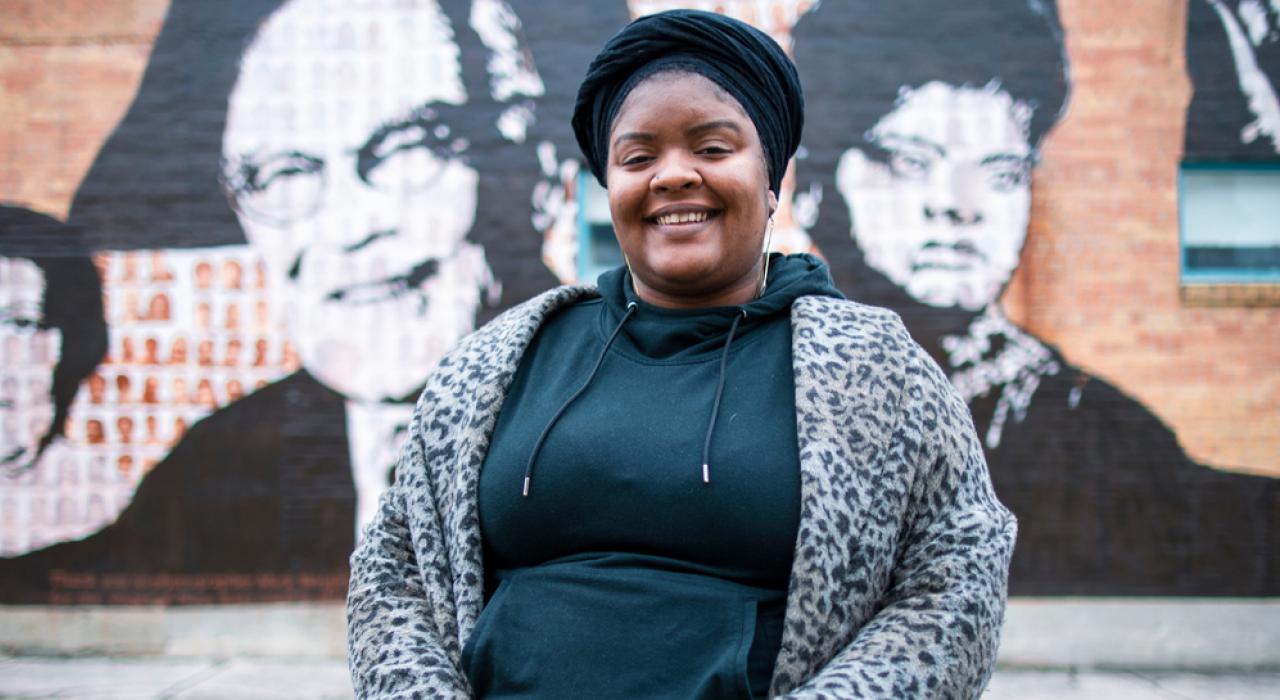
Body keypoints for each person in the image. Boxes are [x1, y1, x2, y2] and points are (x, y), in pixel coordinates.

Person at [348, 10, 1014, 699]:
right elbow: (394, 564)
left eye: (714, 148)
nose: (672, 175)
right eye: (637, 158)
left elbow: (953, 574)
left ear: (772, 175)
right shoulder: (497, 362)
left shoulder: (874, 371)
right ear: (611, 186)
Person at [0, 0, 552, 602]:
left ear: (537, 172)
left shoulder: (599, 412)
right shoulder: (222, 457)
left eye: (406, 146)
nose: (347, 226)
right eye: (282, 176)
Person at [796, 0, 1278, 595]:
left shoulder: (1089, 423)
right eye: (910, 163)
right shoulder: (768, 389)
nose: (959, 205)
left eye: (1001, 173)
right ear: (814, 188)